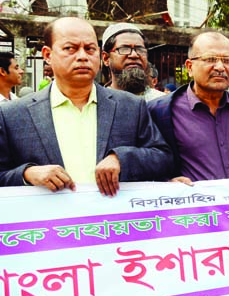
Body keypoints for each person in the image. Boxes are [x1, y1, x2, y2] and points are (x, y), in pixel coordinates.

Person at [0, 17, 171, 195]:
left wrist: (121, 159)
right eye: (70, 49)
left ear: (98, 54)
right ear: (47, 55)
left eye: (89, 49)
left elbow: (163, 158)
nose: (82, 56)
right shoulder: (12, 115)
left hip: (114, 220)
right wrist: (28, 174)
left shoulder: (131, 107)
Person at [148, 32, 229, 184]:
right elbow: (149, 164)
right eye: (210, 59)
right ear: (189, 67)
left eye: (227, 60)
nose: (220, 67)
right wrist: (166, 182)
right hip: (194, 206)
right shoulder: (161, 112)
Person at [101, 22, 164, 100]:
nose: (134, 55)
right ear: (106, 58)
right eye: (124, 49)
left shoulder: (161, 103)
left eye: (140, 49)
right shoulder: (97, 102)